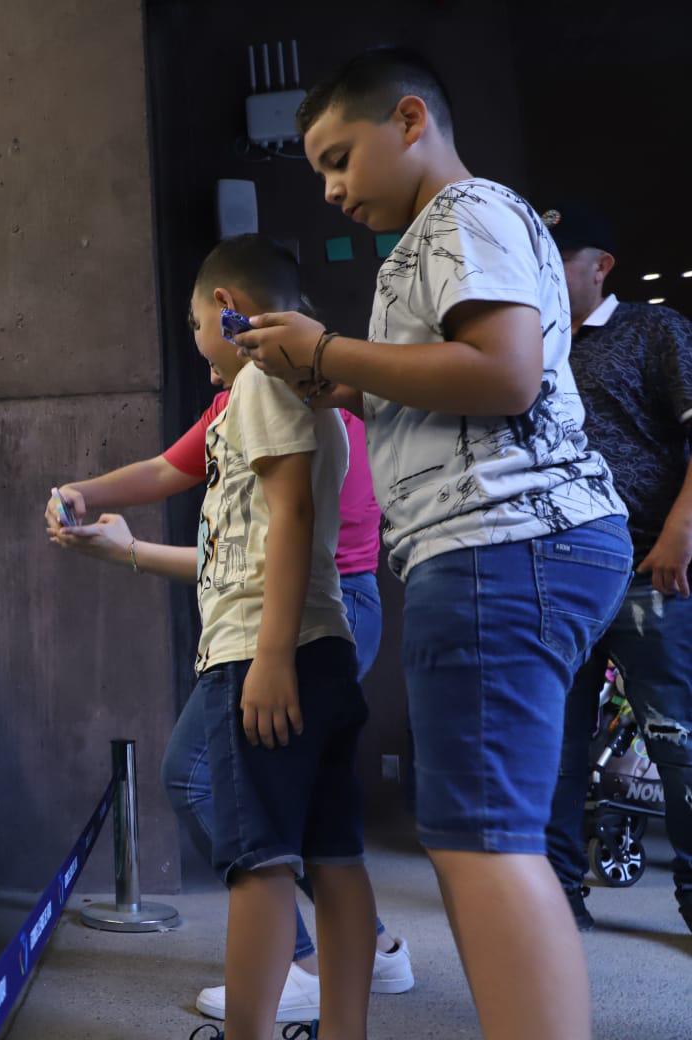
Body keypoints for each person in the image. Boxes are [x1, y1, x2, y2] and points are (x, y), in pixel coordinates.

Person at [236, 48, 631, 1040]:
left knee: (485, 839)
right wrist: (331, 379)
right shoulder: (447, 233)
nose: (328, 190)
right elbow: (452, 382)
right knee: (477, 833)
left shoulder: (463, 213)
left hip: (503, 542)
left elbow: (503, 373)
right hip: (508, 546)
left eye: (337, 158)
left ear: (410, 120)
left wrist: (325, 351)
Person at [62, 234, 378, 1040]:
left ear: (226, 307)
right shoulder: (281, 391)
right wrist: (86, 496)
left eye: (196, 322)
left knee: (258, 861)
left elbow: (294, 517)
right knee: (333, 854)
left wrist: (270, 655)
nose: (197, 342)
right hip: (320, 645)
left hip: (261, 651)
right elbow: (178, 473)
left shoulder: (262, 385)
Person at [539, 201, 692, 934]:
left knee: (676, 738)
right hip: (558, 573)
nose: (542, 270)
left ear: (600, 267)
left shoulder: (655, 330)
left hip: (647, 570)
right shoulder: (529, 343)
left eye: (558, 258)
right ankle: (560, 896)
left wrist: (679, 532)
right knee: (553, 747)